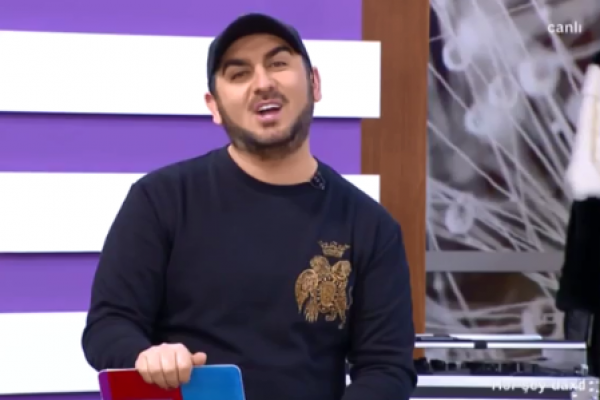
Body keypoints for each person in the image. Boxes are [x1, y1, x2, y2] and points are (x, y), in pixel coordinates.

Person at [81, 12, 417, 400]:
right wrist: (146, 356)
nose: (263, 83)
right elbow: (108, 326)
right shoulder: (161, 199)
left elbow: (386, 368)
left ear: (314, 83)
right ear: (214, 106)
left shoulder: (370, 226)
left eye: (278, 64)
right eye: (239, 74)